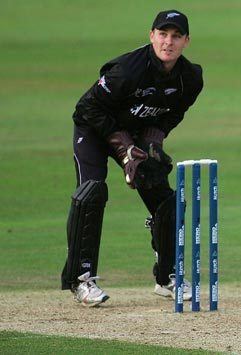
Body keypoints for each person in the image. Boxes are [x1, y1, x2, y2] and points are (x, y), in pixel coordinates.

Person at [61, 9, 203, 306]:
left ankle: (167, 277)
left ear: (187, 41)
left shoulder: (190, 79)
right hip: (95, 130)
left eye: (176, 36)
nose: (168, 42)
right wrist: (123, 146)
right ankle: (81, 279)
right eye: (162, 35)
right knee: (92, 192)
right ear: (151, 36)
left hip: (137, 136)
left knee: (165, 199)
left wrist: (154, 138)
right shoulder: (127, 70)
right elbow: (87, 107)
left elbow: (173, 113)